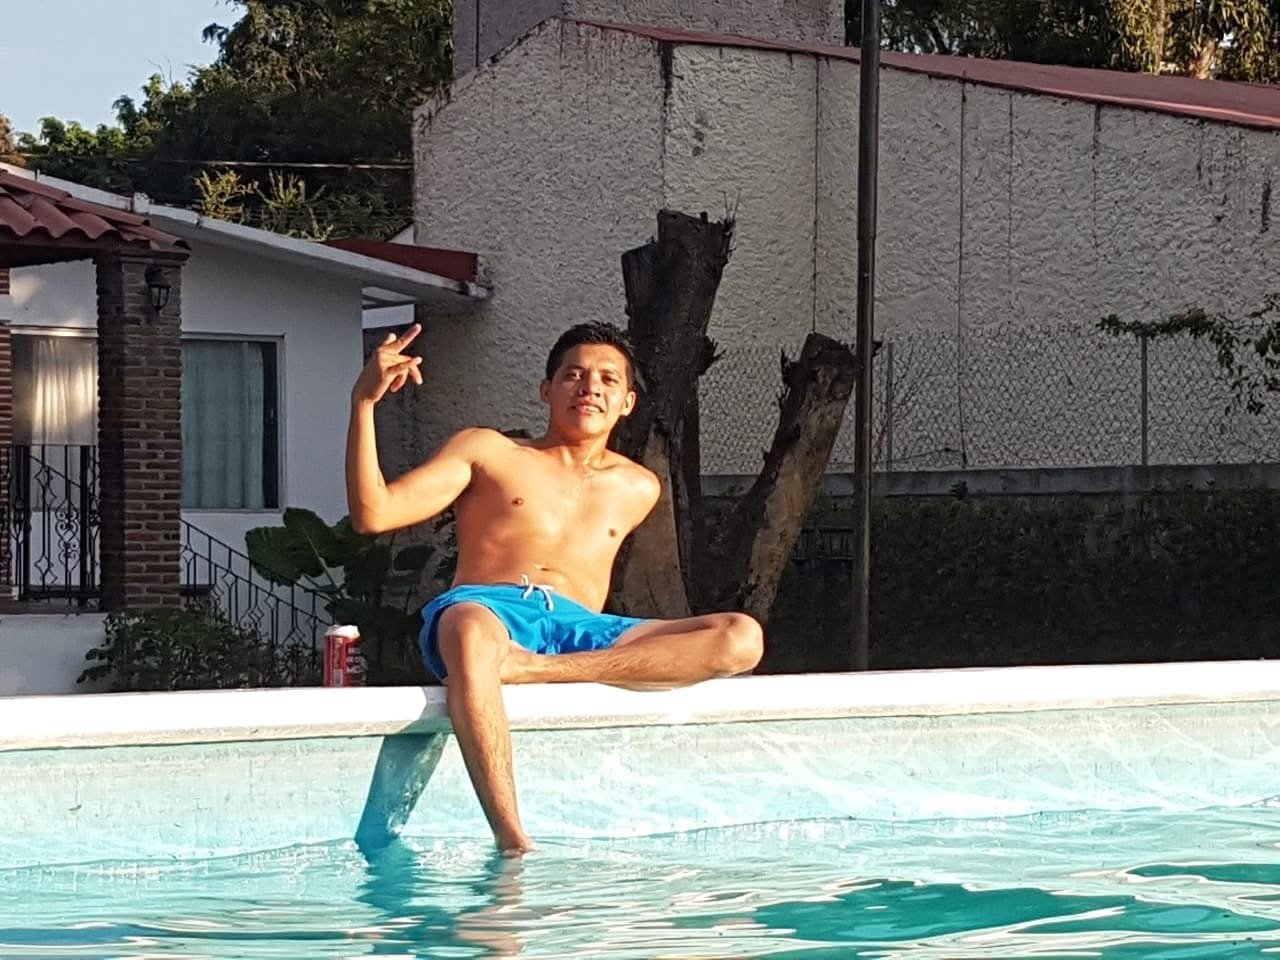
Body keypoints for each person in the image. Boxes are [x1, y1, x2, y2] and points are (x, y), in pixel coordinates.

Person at [346, 320, 765, 855]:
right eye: (573, 375)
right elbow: (374, 513)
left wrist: (544, 667)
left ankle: (531, 670)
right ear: (546, 390)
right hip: (491, 609)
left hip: (580, 628)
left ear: (627, 403)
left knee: (741, 637)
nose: (590, 387)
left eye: (608, 379)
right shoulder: (489, 452)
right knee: (470, 632)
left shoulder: (638, 486)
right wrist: (363, 403)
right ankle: (512, 838)